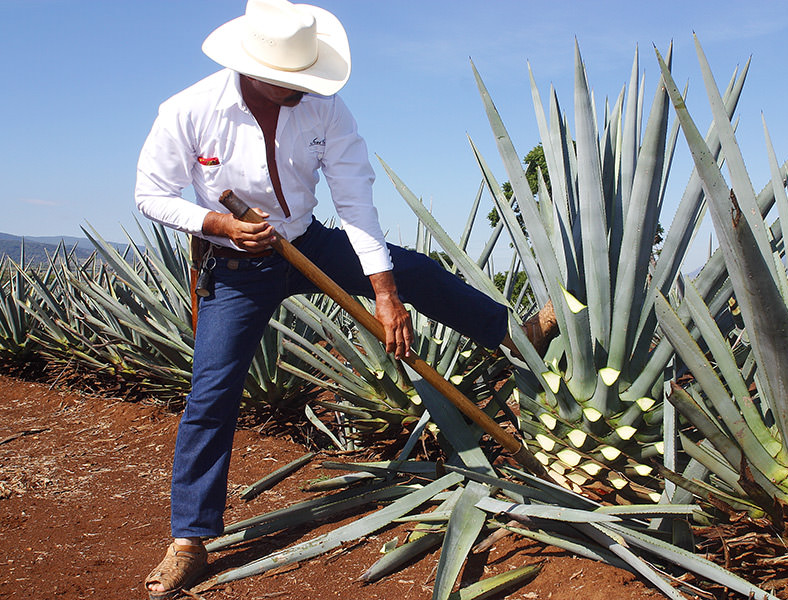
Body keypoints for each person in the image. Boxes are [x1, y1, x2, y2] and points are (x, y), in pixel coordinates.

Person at [135, 1, 557, 597]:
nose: (301, 89)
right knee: (212, 391)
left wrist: (385, 292)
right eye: (291, 80)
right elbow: (150, 193)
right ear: (254, 68)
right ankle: (190, 539)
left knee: (416, 270)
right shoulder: (190, 109)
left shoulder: (325, 108)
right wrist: (219, 225)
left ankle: (513, 334)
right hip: (237, 263)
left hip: (306, 243)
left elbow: (356, 200)